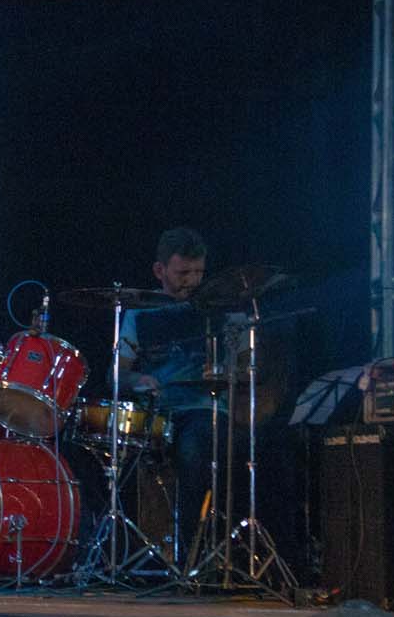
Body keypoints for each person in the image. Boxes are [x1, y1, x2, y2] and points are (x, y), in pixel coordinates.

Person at [119, 227, 297, 570]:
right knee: (124, 448)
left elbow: (249, 369)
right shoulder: (138, 314)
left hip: (211, 410)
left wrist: (228, 370)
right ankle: (155, 554)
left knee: (203, 444)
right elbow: (117, 375)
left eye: (198, 272)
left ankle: (203, 555)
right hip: (160, 413)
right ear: (159, 270)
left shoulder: (225, 311)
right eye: (182, 273)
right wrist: (138, 379)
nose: (192, 281)